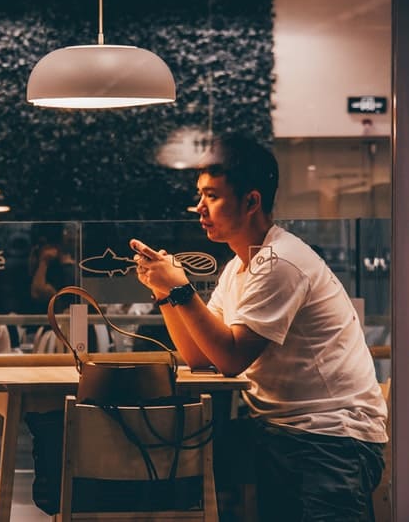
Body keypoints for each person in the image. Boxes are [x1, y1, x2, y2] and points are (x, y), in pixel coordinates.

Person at [131, 133, 388, 522]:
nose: (199, 207)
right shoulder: (240, 267)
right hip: (283, 433)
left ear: (251, 201)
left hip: (331, 440)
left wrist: (181, 288)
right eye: (200, 195)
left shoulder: (279, 261)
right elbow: (201, 355)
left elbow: (232, 359)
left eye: (212, 196)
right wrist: (165, 291)